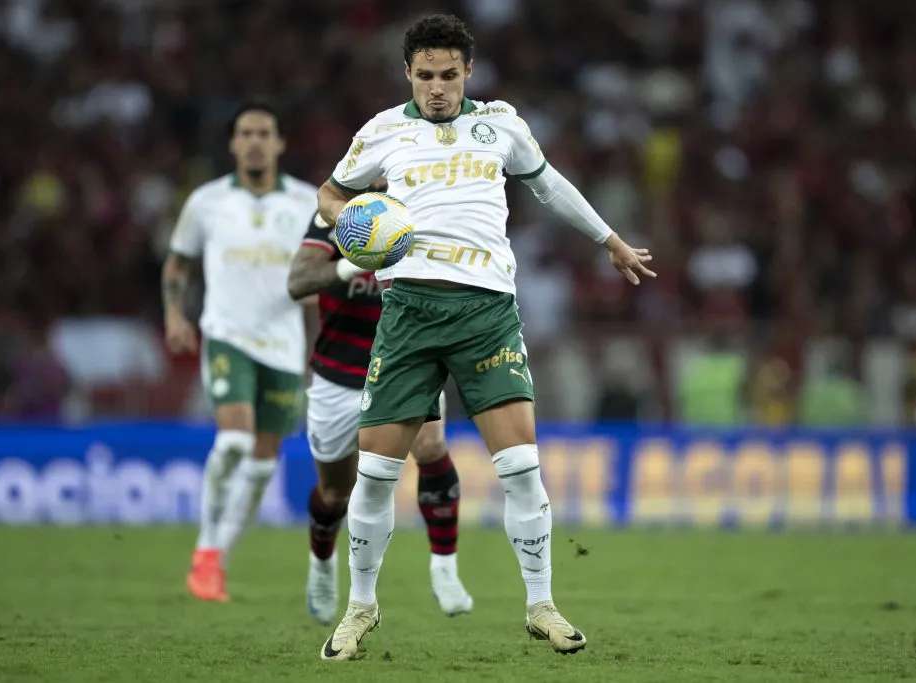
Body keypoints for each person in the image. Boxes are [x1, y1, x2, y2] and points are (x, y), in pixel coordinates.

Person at [314, 14, 655, 660]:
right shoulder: (382, 131)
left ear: (468, 72)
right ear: (407, 74)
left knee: (522, 466)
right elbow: (330, 195)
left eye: (448, 74)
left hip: (487, 313)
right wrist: (357, 218)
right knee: (379, 474)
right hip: (409, 311)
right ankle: (360, 606)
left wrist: (608, 240)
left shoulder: (500, 124)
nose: (437, 87)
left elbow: (548, 185)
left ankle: (541, 605)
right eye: (424, 76)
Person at [285, 197, 473, 625]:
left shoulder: (424, 205)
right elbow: (297, 282)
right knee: (336, 494)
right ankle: (321, 561)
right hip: (337, 374)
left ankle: (445, 568)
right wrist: (355, 262)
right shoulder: (333, 215)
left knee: (431, 445)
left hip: (405, 363)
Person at [162, 101, 317, 602]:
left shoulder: (306, 202)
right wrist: (174, 315)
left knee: (262, 464)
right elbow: (177, 265)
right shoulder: (205, 203)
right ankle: (205, 551)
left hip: (284, 345)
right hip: (227, 334)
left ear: (279, 143)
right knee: (232, 442)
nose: (254, 141)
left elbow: (327, 268)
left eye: (264, 132)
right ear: (232, 143)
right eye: (245, 132)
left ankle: (216, 562)